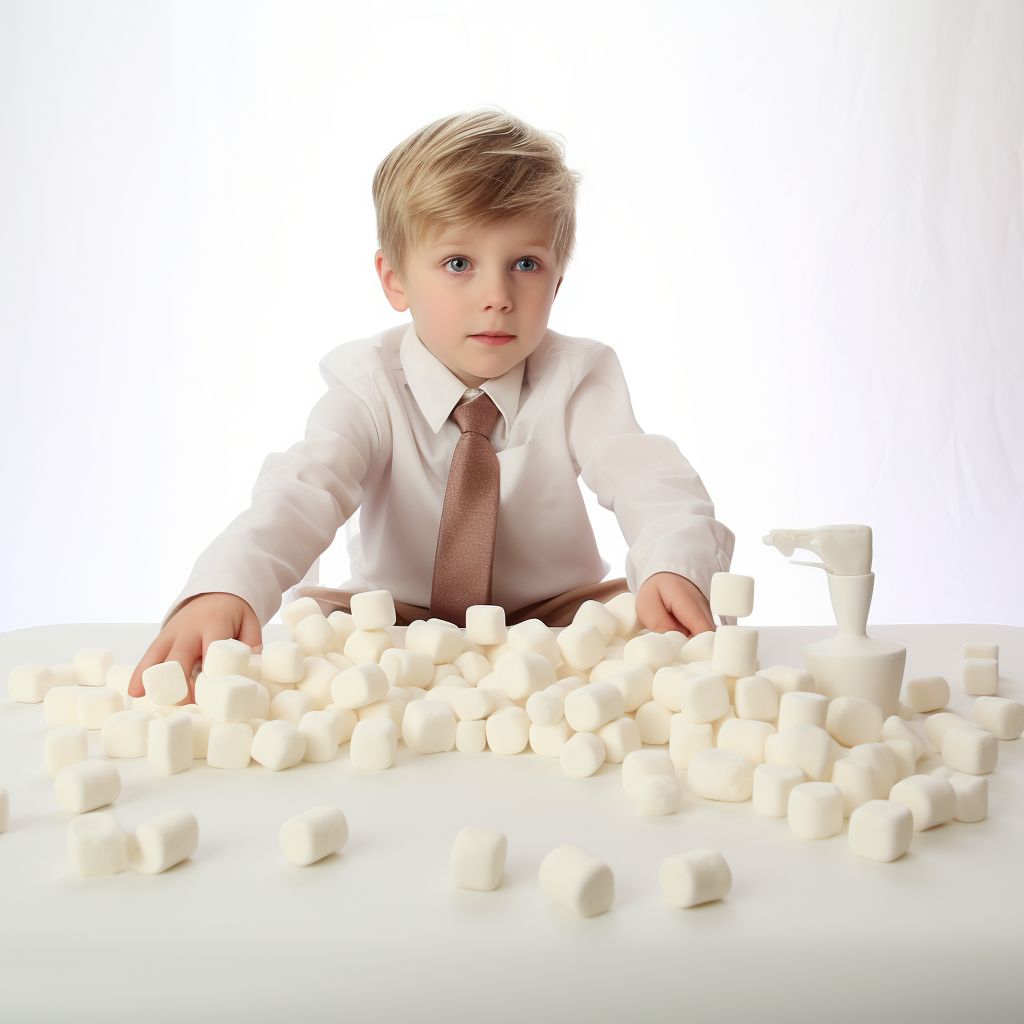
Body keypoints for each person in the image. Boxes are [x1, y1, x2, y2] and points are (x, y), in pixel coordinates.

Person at [128, 106, 735, 699]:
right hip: (393, 618)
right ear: (394, 279)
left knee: (645, 627)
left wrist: (671, 564)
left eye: (525, 263)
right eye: (458, 263)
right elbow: (301, 491)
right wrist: (224, 586)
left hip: (553, 618)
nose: (496, 295)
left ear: (557, 280)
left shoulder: (578, 375)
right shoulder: (367, 383)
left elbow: (648, 479)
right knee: (315, 642)